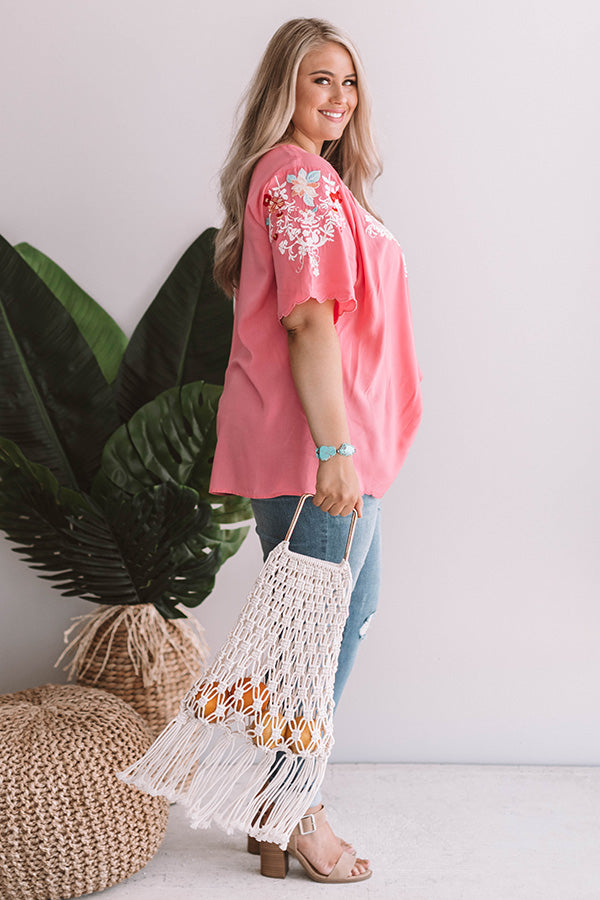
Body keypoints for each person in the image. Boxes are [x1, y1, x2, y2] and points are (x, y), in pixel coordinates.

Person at [209, 17, 423, 884]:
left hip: (342, 447)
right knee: (313, 636)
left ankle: (276, 803)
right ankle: (293, 809)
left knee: (340, 624)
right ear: (284, 91)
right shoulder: (296, 182)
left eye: (348, 81)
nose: (338, 98)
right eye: (319, 81)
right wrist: (335, 448)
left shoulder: (319, 182)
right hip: (318, 450)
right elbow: (306, 322)